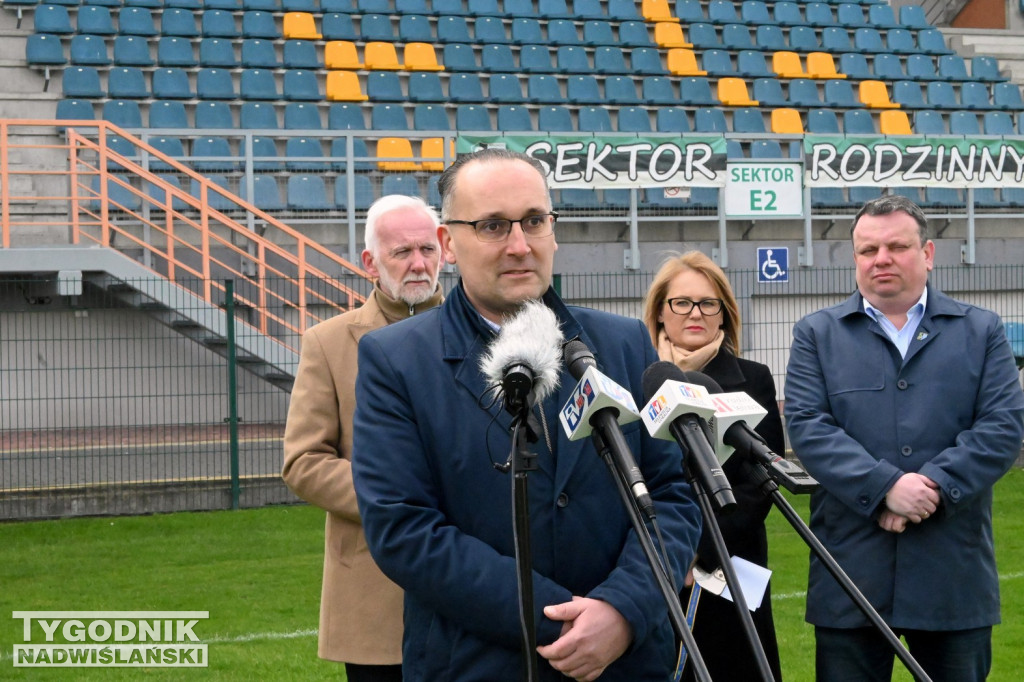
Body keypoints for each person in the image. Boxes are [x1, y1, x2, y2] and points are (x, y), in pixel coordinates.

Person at [350, 148, 702, 682]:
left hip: (626, 662)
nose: (519, 245)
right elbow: (405, 530)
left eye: (534, 221)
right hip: (477, 663)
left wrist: (623, 611)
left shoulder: (623, 343)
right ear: (448, 243)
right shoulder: (395, 361)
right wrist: (562, 624)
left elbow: (671, 495)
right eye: (493, 226)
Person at [784, 195, 1024, 682]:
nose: (882, 259)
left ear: (929, 253)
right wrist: (887, 488)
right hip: (851, 575)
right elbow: (809, 427)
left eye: (897, 246)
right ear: (855, 258)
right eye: (868, 249)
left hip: (952, 577)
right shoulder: (816, 334)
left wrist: (929, 488)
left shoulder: (981, 331)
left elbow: (1002, 427)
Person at [281, 194, 444, 682]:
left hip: (478, 586)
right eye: (402, 253)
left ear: (446, 249)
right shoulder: (328, 343)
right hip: (376, 595)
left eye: (428, 250)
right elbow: (304, 462)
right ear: (370, 262)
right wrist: (397, 498)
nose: (418, 264)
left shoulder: (489, 335)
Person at [642, 251, 784, 682]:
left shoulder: (754, 378)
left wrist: (698, 548)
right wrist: (672, 551)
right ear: (660, 313)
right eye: (681, 303)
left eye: (708, 303)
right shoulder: (636, 380)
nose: (695, 313)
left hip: (730, 566)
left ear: (724, 313)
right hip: (654, 566)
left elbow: (762, 482)